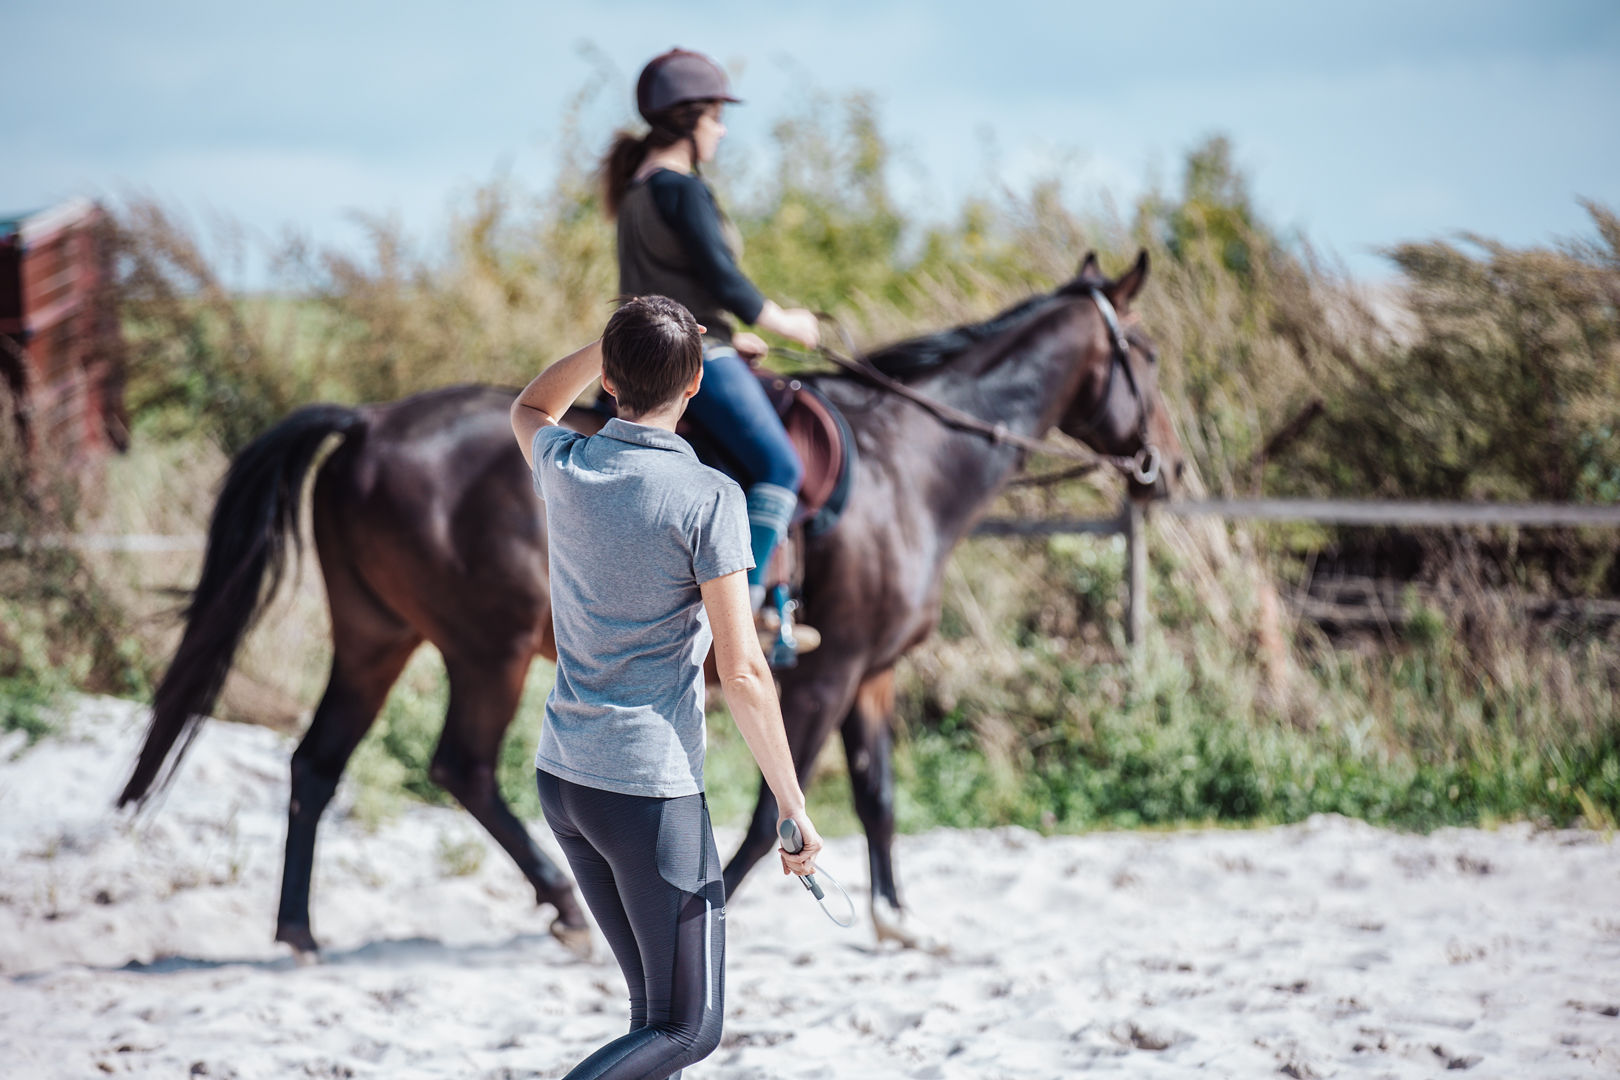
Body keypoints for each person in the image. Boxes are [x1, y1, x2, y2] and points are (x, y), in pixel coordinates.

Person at [510, 294, 824, 1080]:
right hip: (649, 793)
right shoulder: (710, 498)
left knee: (651, 1018)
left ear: (611, 383)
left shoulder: (568, 463)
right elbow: (745, 672)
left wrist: (609, 347)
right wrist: (792, 805)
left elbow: (532, 404)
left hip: (566, 780)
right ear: (695, 388)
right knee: (690, 1029)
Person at [601, 47, 822, 651]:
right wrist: (783, 321)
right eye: (717, 117)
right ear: (691, 120)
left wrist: (731, 331)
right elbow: (722, 276)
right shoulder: (682, 189)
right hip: (692, 354)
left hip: (648, 347)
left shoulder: (636, 189)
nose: (722, 130)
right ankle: (740, 618)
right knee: (782, 467)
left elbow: (667, 283)